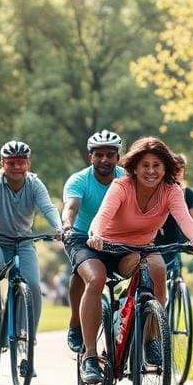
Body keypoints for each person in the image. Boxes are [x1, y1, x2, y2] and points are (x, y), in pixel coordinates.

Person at [82, 137, 193, 385]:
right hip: (104, 246)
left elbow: (184, 219)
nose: (151, 171)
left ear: (166, 169)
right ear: (135, 168)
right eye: (145, 165)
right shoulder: (122, 186)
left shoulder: (172, 190)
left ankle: (151, 337)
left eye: (157, 166)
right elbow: (103, 215)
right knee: (95, 282)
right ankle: (90, 355)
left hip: (136, 249)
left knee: (157, 266)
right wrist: (95, 235)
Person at [0, 140, 62, 344]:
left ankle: (29, 338)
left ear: (28, 163)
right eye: (11, 163)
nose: (17, 167)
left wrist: (59, 228)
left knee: (34, 286)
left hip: (23, 242)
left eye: (21, 162)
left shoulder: (35, 184)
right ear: (2, 164)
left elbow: (48, 208)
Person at [61, 129, 125, 354]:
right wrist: (67, 226)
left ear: (118, 156)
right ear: (91, 157)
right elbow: (71, 207)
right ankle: (77, 326)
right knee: (93, 278)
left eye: (110, 154)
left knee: (147, 267)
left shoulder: (127, 179)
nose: (104, 159)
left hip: (118, 239)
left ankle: (133, 315)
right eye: (99, 155)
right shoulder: (79, 180)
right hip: (81, 237)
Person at [154, 153, 193, 264]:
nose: (175, 173)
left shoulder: (188, 194)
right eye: (172, 169)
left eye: (179, 170)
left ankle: (177, 279)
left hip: (180, 239)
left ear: (184, 172)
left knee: (174, 267)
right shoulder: (157, 192)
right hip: (157, 238)